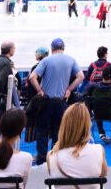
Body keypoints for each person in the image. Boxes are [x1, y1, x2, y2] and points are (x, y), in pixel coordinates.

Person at [28, 38, 85, 166]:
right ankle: (56, 160)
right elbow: (81, 76)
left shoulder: (46, 61)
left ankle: (41, 160)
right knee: (58, 132)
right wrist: (69, 89)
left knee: (42, 131)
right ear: (63, 48)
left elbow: (32, 77)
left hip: (46, 102)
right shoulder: (71, 60)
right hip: (61, 102)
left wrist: (39, 90)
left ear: (52, 49)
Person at [46, 102, 107, 181]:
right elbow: (103, 173)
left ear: (64, 125)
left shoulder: (51, 155)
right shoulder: (98, 150)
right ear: (88, 124)